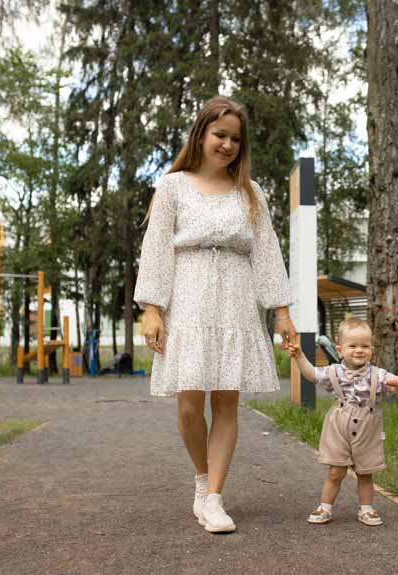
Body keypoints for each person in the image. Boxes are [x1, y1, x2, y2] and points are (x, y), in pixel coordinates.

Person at [134, 96, 298, 534]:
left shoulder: (250, 192)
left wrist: (282, 313)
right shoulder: (173, 187)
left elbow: (267, 253)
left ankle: (214, 497)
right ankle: (201, 478)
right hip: (187, 298)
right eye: (220, 135)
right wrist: (152, 309)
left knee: (227, 402)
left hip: (236, 299)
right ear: (201, 134)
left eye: (235, 139)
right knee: (189, 405)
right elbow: (156, 248)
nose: (227, 145)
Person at [285, 317, 398, 526]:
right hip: (339, 425)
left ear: (372, 349)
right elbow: (312, 375)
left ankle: (366, 509)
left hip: (368, 426)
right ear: (340, 349)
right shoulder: (334, 372)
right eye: (353, 346)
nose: (359, 350)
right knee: (336, 471)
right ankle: (325, 507)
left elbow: (396, 388)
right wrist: (300, 357)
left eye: (365, 346)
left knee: (365, 471)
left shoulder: (378, 374)